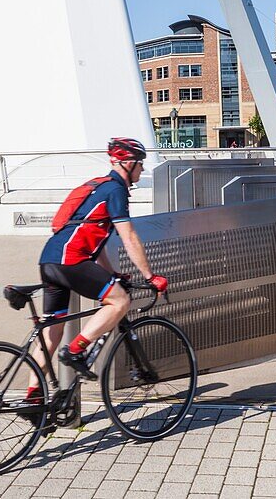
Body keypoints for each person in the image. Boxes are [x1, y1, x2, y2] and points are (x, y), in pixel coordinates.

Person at [27, 137, 168, 389]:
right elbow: (129, 236)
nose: (143, 169)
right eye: (140, 164)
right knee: (120, 301)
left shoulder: (99, 187)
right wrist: (149, 276)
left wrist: (112, 272)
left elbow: (94, 241)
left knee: (52, 334)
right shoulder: (116, 190)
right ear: (127, 164)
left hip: (50, 261)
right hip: (70, 261)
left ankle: (34, 399)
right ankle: (76, 351)